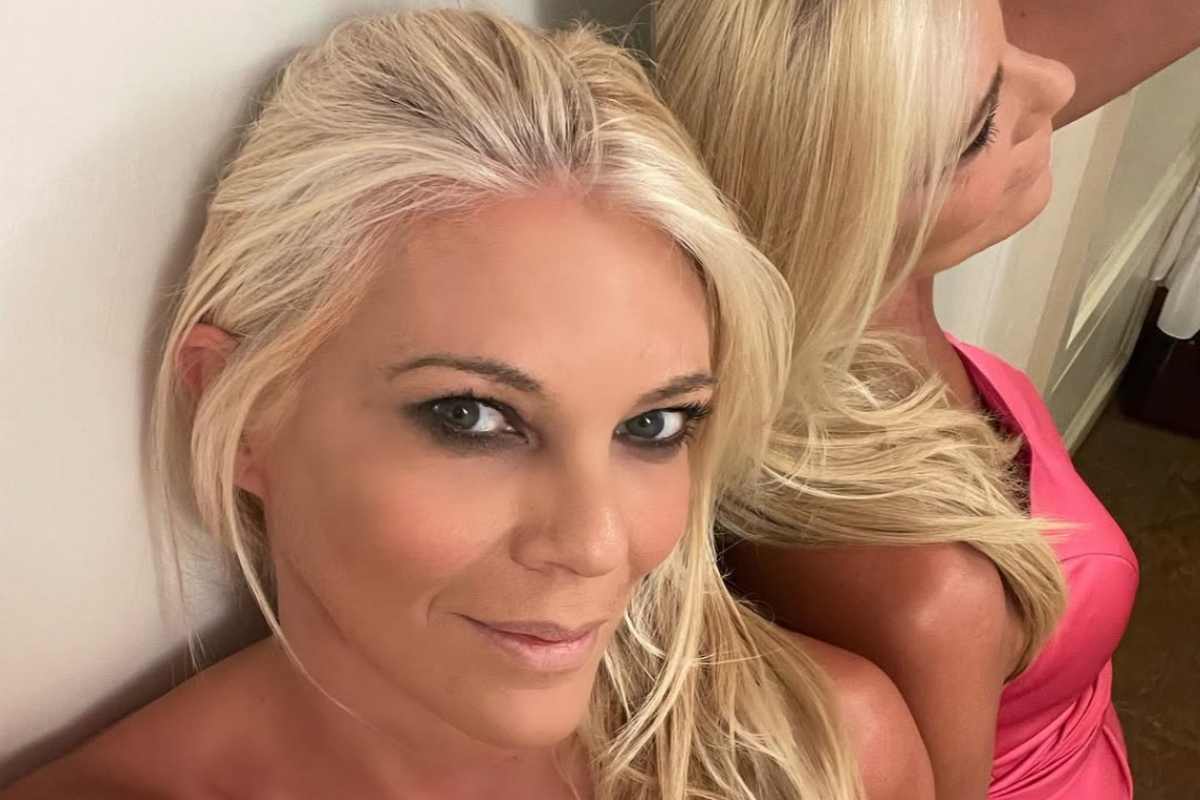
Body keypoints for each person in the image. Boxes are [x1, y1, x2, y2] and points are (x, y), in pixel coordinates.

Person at [0, 9, 932, 800]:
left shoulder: (821, 756)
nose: (595, 543)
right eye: (472, 419)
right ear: (240, 416)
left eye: (652, 427)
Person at [657, 0, 1198, 798]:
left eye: (1007, 43)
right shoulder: (930, 591)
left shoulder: (858, 313)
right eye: (980, 128)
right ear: (854, 207)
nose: (1056, 83)